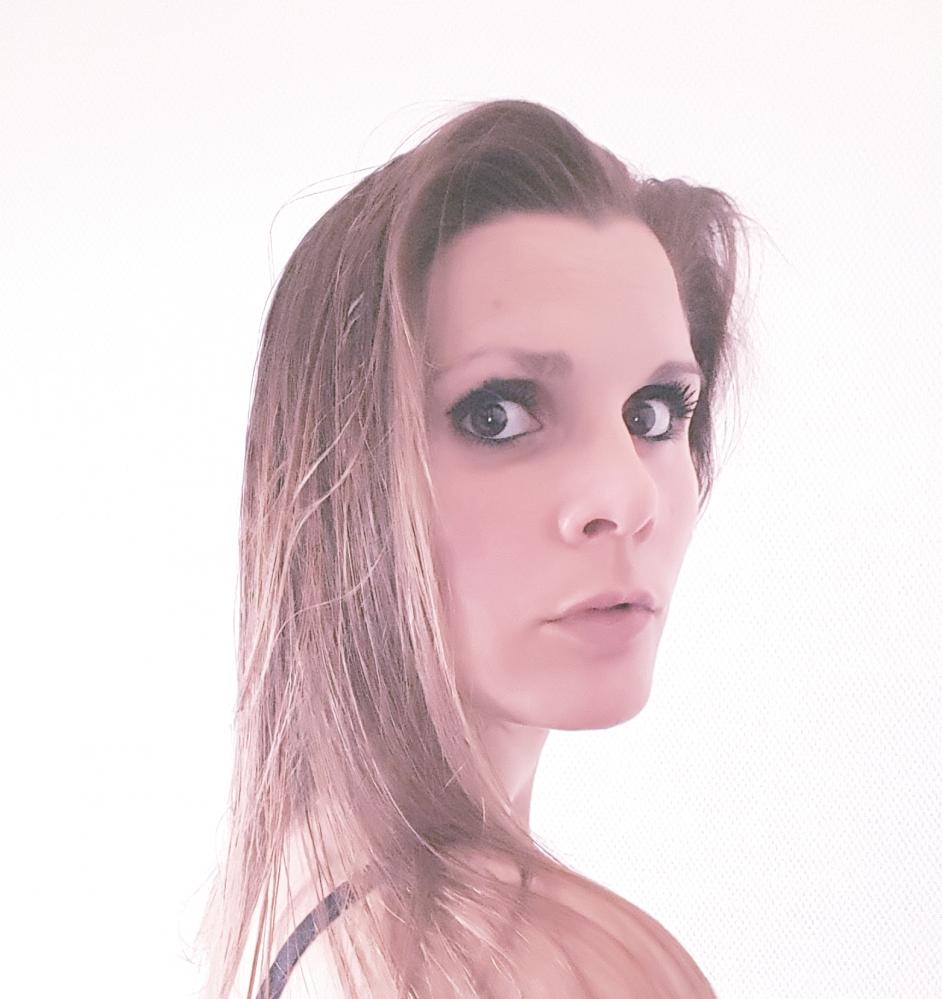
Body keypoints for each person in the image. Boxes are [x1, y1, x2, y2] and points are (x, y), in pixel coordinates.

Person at [194, 98, 755, 998]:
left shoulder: (293, 908)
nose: (627, 498)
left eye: (654, 413)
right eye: (498, 414)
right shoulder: (555, 970)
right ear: (340, 479)